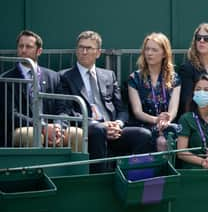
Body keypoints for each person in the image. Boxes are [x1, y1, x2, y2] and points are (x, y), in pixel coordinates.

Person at [58, 30, 153, 173]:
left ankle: (134, 179)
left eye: (89, 48)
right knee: (98, 130)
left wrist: (118, 124)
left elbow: (122, 109)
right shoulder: (65, 77)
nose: (84, 51)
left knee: (143, 134)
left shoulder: (109, 75)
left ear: (98, 52)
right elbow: (66, 111)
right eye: (80, 47)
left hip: (113, 129)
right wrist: (99, 125)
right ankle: (101, 181)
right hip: (88, 129)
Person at [1, 30, 82, 150]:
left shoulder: (54, 77)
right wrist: (42, 127)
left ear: (39, 51)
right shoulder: (6, 79)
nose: (23, 50)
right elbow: (11, 115)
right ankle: (34, 169)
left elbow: (64, 108)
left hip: (53, 128)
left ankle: (74, 169)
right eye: (20, 46)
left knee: (77, 134)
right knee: (32, 135)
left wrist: (58, 126)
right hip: (23, 128)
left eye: (28, 47)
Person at [127, 32, 181, 151]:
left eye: (154, 50)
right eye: (147, 49)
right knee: (154, 139)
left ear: (164, 54)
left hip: (167, 124)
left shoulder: (174, 78)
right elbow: (137, 112)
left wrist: (166, 120)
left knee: (173, 135)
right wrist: (156, 120)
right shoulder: (134, 78)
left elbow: (173, 110)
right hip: (145, 125)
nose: (149, 53)